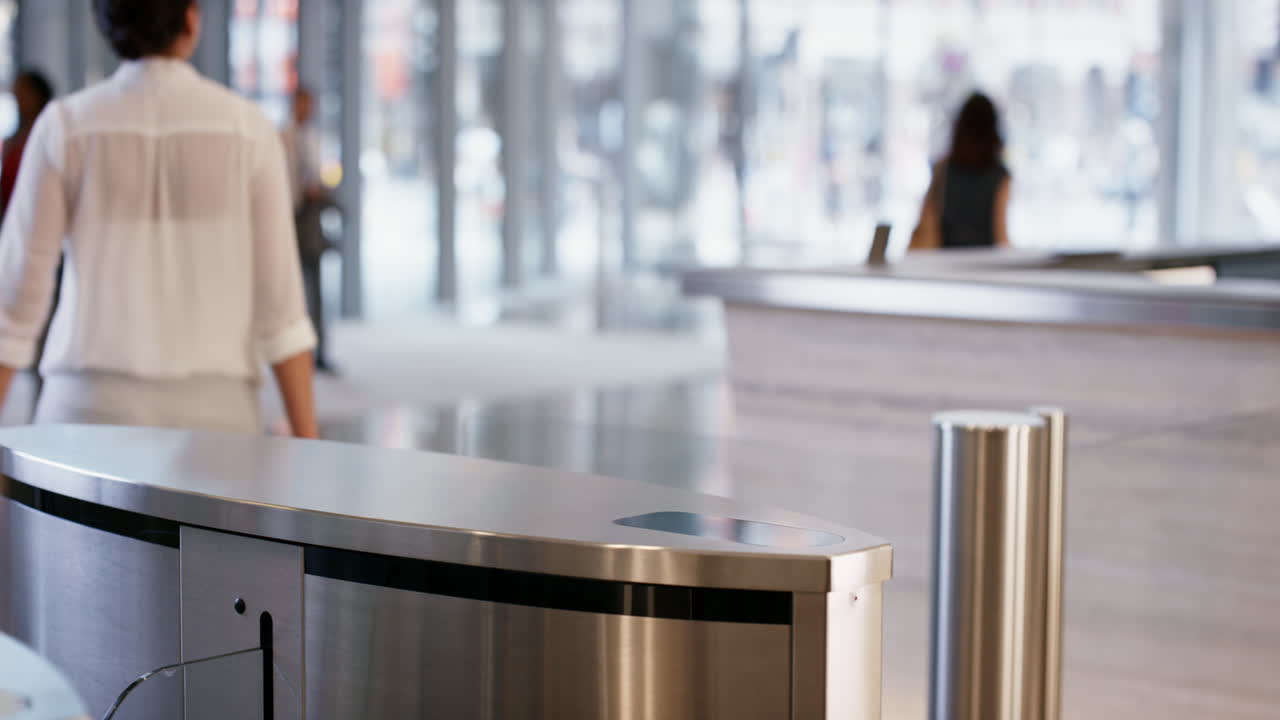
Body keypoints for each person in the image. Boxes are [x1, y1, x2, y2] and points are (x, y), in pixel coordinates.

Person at [0, 0, 319, 437]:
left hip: (85, 413)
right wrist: (307, 438)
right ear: (190, 19)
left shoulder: (66, 127)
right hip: (217, 418)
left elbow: (15, 299)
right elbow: (281, 310)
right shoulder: (249, 130)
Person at [910, 92, 1011, 250]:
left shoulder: (943, 169)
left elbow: (928, 221)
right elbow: (1000, 233)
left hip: (943, 264)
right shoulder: (1000, 175)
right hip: (986, 265)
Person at [280, 87, 335, 372]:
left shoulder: (312, 138)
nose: (307, 110)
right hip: (289, 219)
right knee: (292, 292)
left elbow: (316, 175)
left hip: (310, 222)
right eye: (303, 104)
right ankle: (294, 353)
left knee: (316, 289)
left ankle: (320, 350)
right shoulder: (282, 137)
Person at [1, 70, 54, 218]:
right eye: (17, 94)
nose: (19, 99)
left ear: (39, 95)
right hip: (11, 219)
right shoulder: (10, 142)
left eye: (24, 93)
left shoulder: (51, 136)